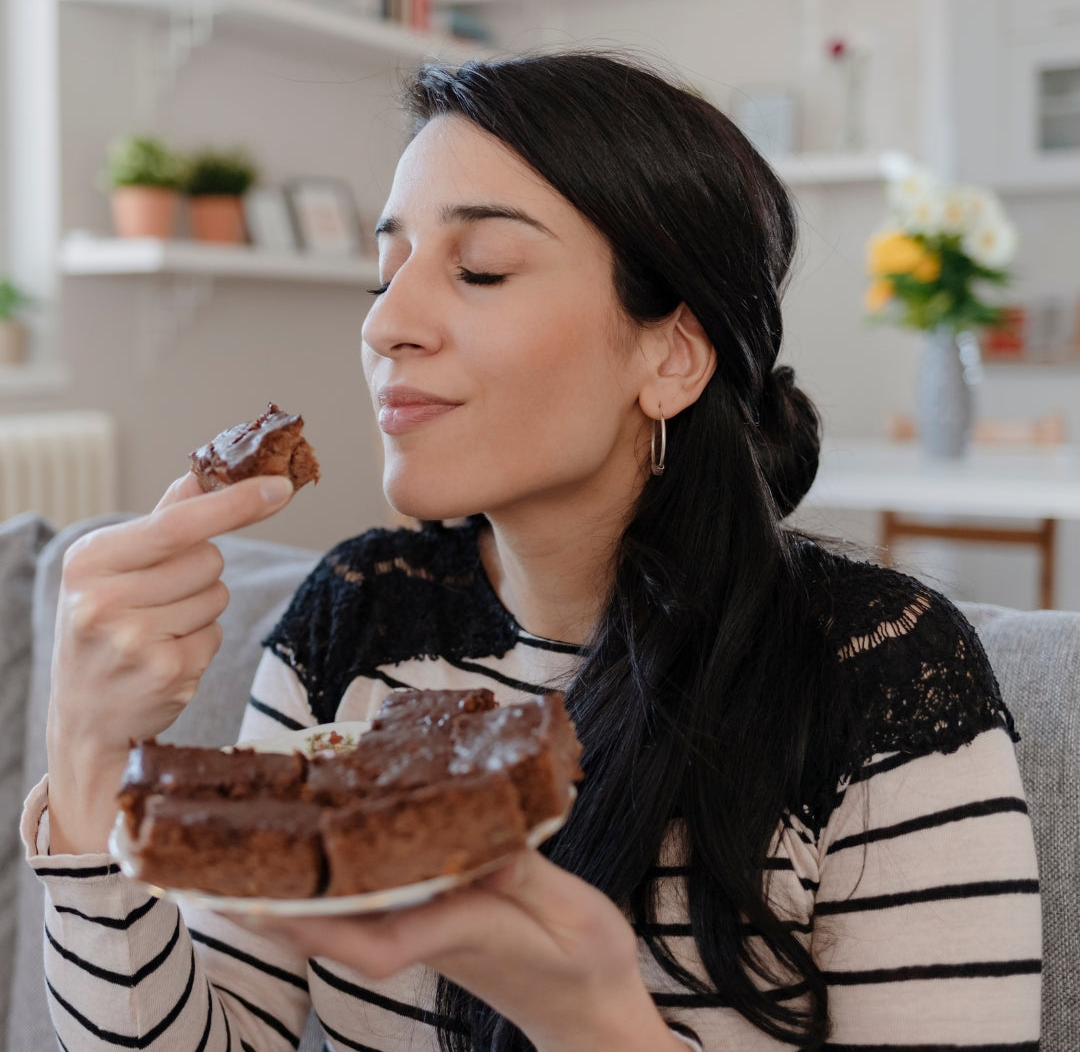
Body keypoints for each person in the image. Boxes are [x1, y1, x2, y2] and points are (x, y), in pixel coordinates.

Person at [24, 52, 1041, 1052]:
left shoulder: (877, 674)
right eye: (385, 273)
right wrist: (83, 750)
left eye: (482, 269)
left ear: (671, 355)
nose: (386, 324)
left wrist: (586, 1022)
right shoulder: (357, 618)